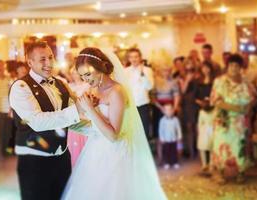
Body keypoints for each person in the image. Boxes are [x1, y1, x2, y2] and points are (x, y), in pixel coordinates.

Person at [62, 47, 167, 200]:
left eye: (88, 74)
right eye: (82, 76)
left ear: (100, 68)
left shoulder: (117, 91)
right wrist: (74, 123)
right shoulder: (94, 90)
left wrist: (90, 109)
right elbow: (95, 127)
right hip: (95, 149)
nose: (85, 80)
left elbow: (113, 135)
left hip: (115, 153)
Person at [9, 42, 81, 200]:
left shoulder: (61, 83)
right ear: (30, 62)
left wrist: (99, 130)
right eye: (42, 59)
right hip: (34, 160)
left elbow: (73, 120)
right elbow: (37, 122)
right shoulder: (20, 87)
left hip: (62, 156)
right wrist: (79, 110)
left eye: (50, 57)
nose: (49, 63)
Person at [210, 54, 253, 184]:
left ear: (240, 67)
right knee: (221, 146)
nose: (234, 68)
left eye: (237, 65)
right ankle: (220, 173)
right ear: (227, 66)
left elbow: (254, 97)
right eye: (231, 65)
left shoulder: (245, 81)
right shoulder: (220, 81)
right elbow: (215, 101)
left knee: (239, 146)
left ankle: (241, 172)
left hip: (240, 121)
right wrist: (236, 108)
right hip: (224, 120)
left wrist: (248, 107)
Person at [125, 48, 154, 139]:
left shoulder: (147, 70)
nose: (134, 59)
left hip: (143, 105)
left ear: (140, 57)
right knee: (132, 132)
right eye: (131, 57)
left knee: (144, 132)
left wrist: (142, 73)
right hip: (130, 105)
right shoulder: (125, 71)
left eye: (136, 57)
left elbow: (150, 87)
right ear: (129, 58)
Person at [195, 61, 215, 173]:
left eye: (207, 67)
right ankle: (204, 163)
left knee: (212, 138)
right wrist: (202, 103)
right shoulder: (198, 81)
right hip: (202, 109)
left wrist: (211, 102)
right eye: (203, 68)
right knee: (203, 138)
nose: (205, 70)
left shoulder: (215, 81)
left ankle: (212, 162)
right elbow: (195, 96)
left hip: (213, 108)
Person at [0, 60, 13, 156]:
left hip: (9, 110)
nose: (0, 68)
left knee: (8, 132)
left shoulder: (8, 79)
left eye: (2, 66)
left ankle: (5, 151)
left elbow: (11, 94)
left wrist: (11, 108)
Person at [158, 103, 182, 170]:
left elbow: (178, 129)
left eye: (170, 110)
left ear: (173, 111)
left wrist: (179, 137)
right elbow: (160, 130)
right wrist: (162, 138)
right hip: (166, 140)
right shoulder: (162, 120)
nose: (169, 111)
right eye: (167, 110)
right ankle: (166, 163)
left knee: (174, 151)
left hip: (174, 139)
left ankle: (175, 162)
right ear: (164, 111)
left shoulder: (176, 120)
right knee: (166, 152)